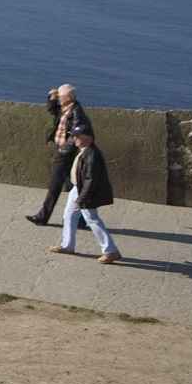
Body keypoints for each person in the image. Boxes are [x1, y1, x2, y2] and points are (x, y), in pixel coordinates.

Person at [50, 126, 121, 264]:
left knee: (92, 218)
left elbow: (91, 180)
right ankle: (67, 245)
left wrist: (82, 198)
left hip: (85, 191)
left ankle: (110, 251)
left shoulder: (93, 155)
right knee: (69, 215)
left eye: (78, 135)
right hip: (77, 189)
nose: (74, 138)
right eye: (74, 135)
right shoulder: (85, 151)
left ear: (89, 138)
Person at [27, 84, 93, 227]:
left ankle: (43, 217)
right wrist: (53, 99)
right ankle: (81, 220)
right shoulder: (65, 108)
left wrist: (63, 151)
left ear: (68, 98)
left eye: (61, 96)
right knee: (72, 186)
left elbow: (75, 135)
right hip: (63, 149)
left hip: (66, 152)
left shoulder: (77, 112)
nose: (59, 98)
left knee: (54, 184)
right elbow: (52, 110)